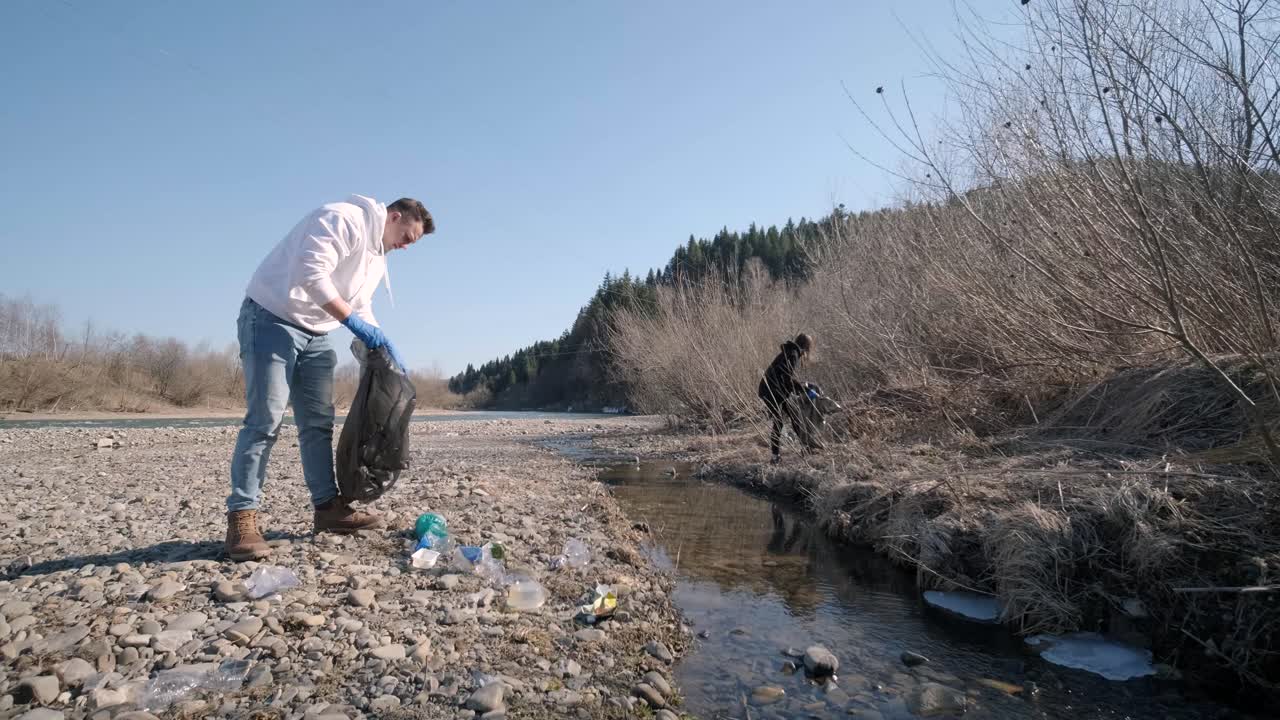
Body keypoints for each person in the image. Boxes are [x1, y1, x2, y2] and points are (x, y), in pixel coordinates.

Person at [225, 194, 434, 561]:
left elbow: (361, 304)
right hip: (272, 317)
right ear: (395, 216)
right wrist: (349, 322)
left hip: (316, 333)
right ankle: (242, 519)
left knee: (319, 422)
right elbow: (311, 273)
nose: (405, 246)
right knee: (265, 420)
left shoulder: (377, 256)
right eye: (408, 237)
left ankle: (328, 509)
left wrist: (383, 343)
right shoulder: (344, 218)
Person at [757, 333, 816, 463]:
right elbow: (786, 377)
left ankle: (805, 447)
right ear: (806, 346)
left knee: (794, 417)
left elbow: (785, 376)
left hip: (774, 390)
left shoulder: (791, 352)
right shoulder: (793, 354)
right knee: (779, 421)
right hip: (770, 391)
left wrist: (800, 387)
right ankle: (775, 456)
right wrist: (804, 389)